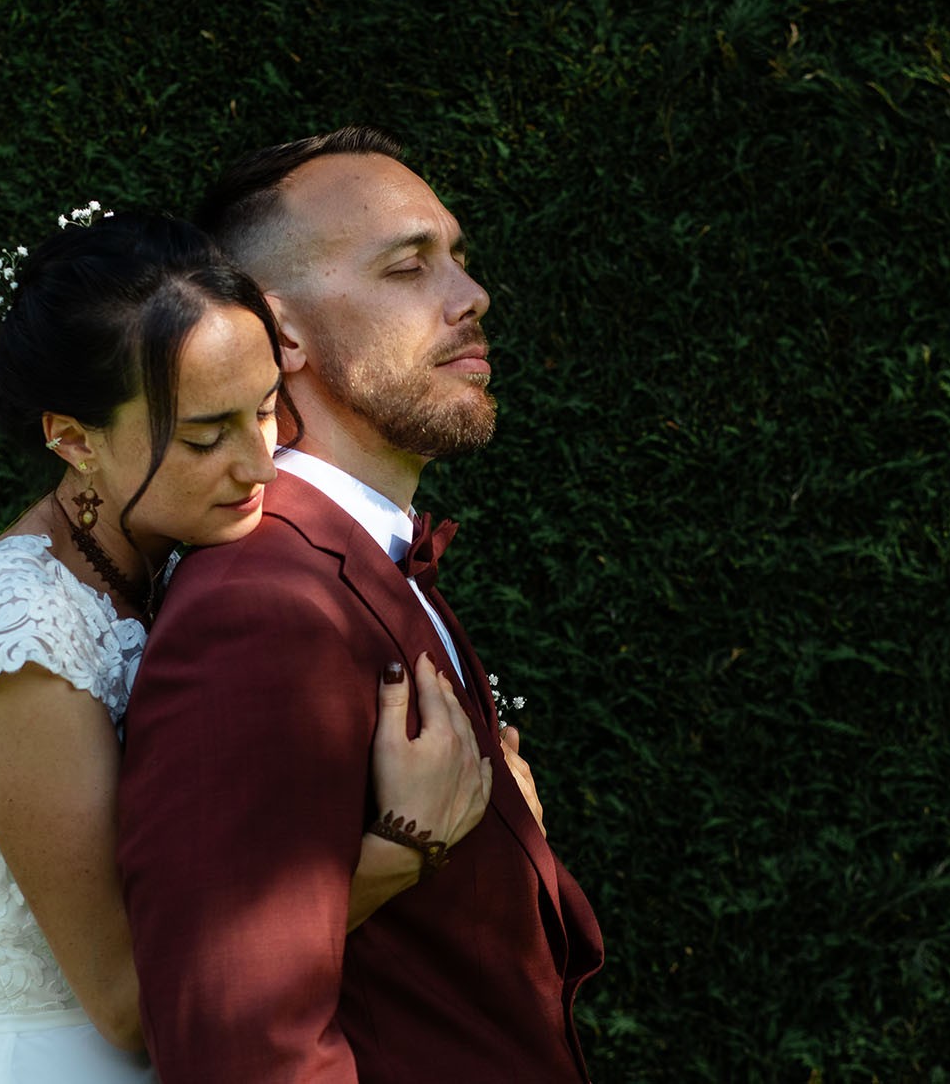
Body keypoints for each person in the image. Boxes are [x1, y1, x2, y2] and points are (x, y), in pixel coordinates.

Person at [0, 210, 493, 1083]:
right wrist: (401, 851)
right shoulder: (12, 631)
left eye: (267, 410)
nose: (261, 462)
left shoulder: (185, 570)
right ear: (71, 440)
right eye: (208, 436)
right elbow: (133, 995)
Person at [118, 128, 605, 1082]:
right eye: (407, 266)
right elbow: (241, 1050)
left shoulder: (362, 562)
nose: (470, 296)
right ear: (278, 334)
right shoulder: (257, 606)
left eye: (458, 257)